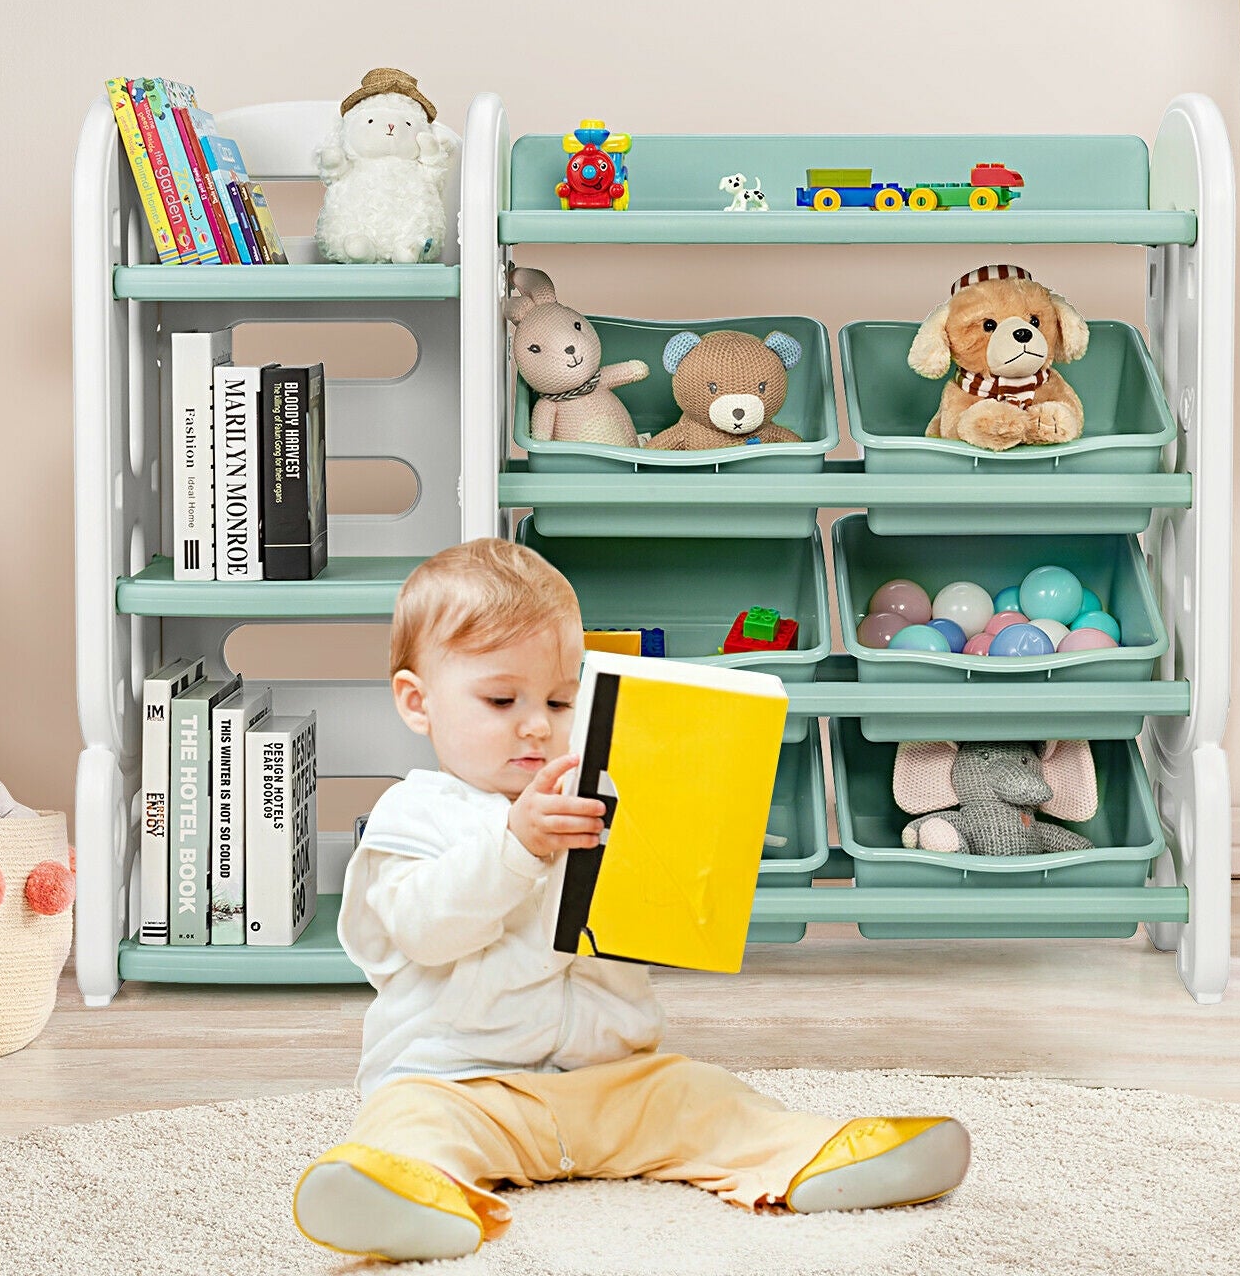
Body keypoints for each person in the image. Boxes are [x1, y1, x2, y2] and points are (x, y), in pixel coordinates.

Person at [293, 537, 970, 1263]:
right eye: (501, 700)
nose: (536, 723)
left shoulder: (604, 792)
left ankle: (813, 1155)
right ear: (417, 702)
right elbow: (424, 929)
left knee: (701, 1095)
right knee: (407, 1122)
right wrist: (517, 845)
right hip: (461, 1083)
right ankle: (401, 1194)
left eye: (559, 699)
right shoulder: (414, 813)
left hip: (608, 1081)